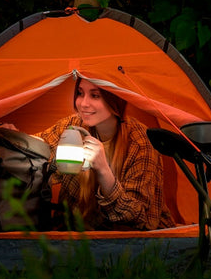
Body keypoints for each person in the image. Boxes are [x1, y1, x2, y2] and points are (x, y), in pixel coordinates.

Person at [36, 77, 175, 231]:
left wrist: (103, 170)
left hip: (134, 241)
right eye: (80, 93)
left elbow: (137, 217)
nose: (83, 103)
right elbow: (37, 148)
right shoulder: (74, 126)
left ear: (114, 100)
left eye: (95, 96)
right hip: (80, 237)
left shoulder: (139, 141)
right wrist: (12, 137)